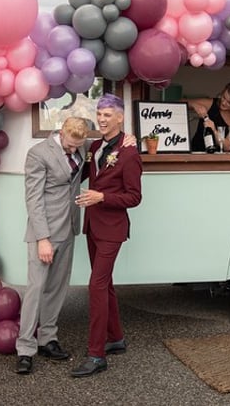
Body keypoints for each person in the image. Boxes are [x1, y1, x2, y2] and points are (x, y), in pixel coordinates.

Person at [71, 93, 143, 378]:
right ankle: (116, 338)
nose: (101, 119)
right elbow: (84, 169)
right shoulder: (97, 146)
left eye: (107, 114)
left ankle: (96, 354)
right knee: (106, 284)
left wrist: (102, 196)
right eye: (99, 114)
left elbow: (134, 197)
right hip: (93, 226)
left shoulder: (130, 153)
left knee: (96, 286)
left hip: (113, 229)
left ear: (120, 117)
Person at [15, 117, 89, 375]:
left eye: (77, 146)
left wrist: (129, 139)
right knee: (36, 289)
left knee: (57, 288)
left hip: (68, 228)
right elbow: (33, 199)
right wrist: (42, 238)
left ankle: (48, 339)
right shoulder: (38, 154)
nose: (73, 150)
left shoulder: (82, 145)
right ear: (60, 133)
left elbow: (102, 147)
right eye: (70, 145)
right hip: (44, 232)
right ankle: (25, 349)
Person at [185, 80, 230, 152]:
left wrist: (213, 129)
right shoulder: (211, 104)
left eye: (229, 102)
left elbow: (227, 146)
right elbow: (179, 102)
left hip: (220, 160)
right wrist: (194, 105)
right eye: (223, 97)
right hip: (197, 154)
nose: (223, 102)